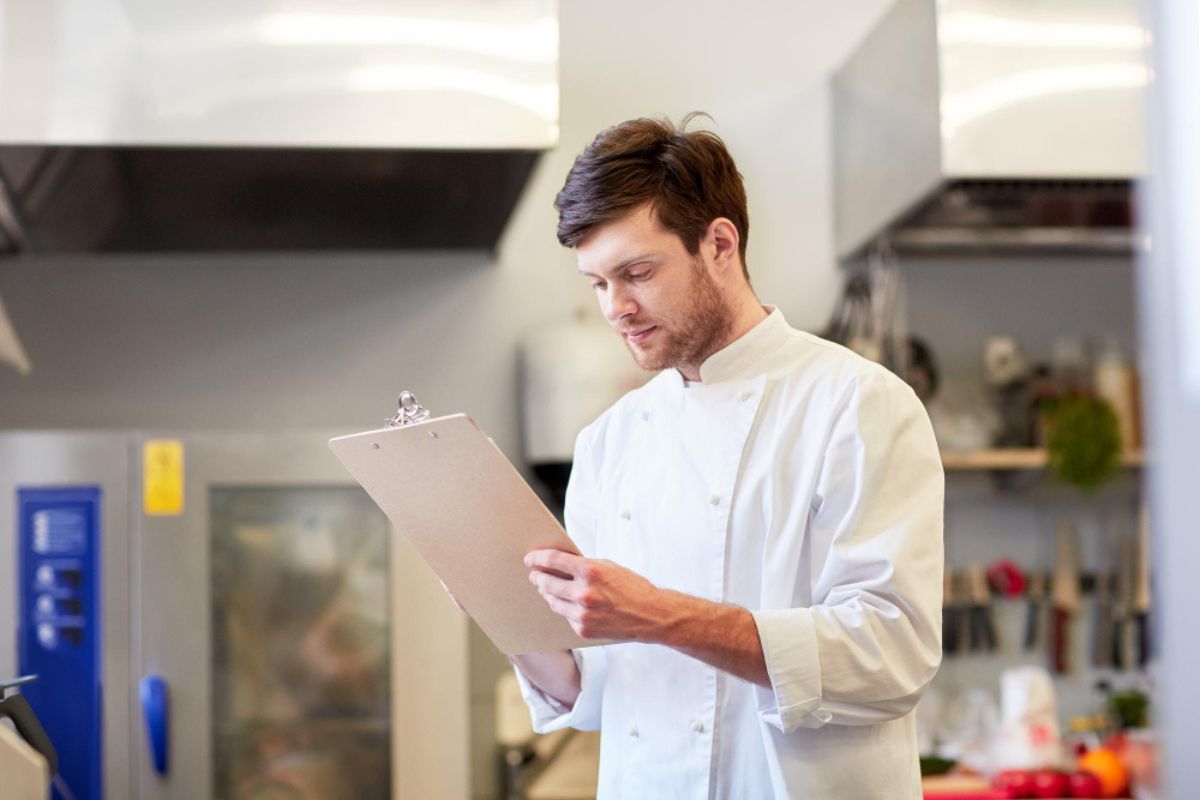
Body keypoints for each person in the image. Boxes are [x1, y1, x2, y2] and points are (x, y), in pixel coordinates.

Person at [513, 114, 944, 798]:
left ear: (719, 243)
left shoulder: (858, 404)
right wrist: (501, 604)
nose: (616, 308)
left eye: (637, 272)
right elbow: (591, 694)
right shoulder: (609, 440)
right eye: (597, 283)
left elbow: (892, 652)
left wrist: (655, 612)